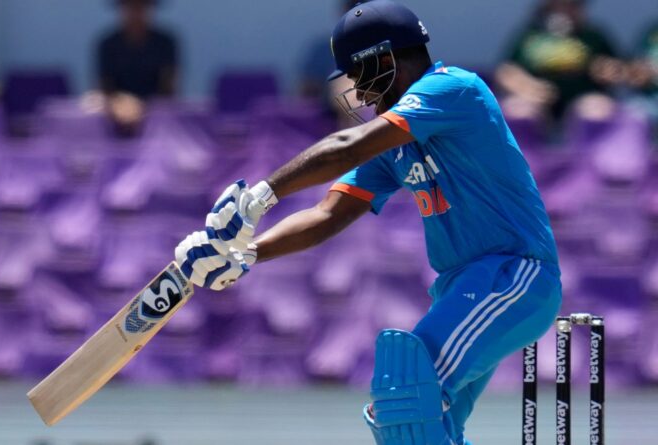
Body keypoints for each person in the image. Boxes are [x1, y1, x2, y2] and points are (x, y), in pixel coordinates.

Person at [175, 1, 562, 444]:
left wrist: (258, 197)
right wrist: (247, 254)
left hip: (512, 274)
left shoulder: (454, 89)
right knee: (424, 421)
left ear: (385, 58)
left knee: (405, 393)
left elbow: (346, 146)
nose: (359, 92)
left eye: (360, 75)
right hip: (465, 285)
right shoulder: (394, 145)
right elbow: (327, 214)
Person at [494, 0, 622, 125]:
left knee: (597, 110)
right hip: (538, 105)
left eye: (572, 5)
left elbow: (618, 69)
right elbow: (505, 71)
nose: (565, 9)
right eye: (559, 5)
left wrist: (608, 71)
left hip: (583, 100)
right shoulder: (530, 36)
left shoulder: (593, 36)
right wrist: (527, 87)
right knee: (518, 110)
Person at [96, 0, 178, 134]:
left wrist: (144, 109)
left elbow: (169, 89)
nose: (136, 13)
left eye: (141, 7)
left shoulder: (166, 43)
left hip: (158, 119)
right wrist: (120, 105)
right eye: (130, 6)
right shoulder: (107, 45)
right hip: (116, 116)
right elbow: (105, 88)